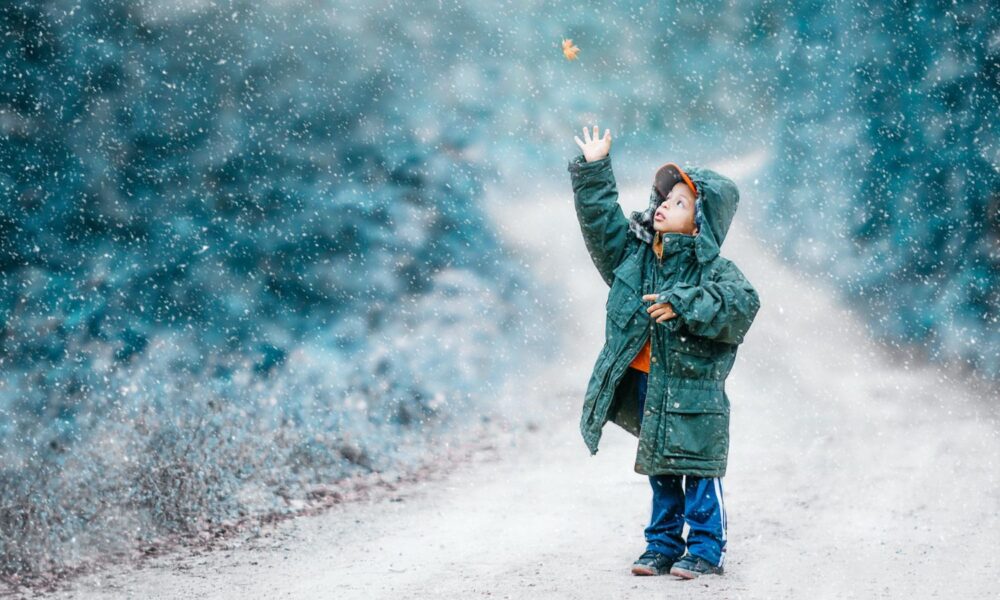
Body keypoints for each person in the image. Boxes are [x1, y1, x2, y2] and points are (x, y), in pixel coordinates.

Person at [567, 124, 761, 579]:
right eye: (664, 199)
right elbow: (600, 224)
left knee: (698, 474)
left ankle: (707, 549)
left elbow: (741, 304)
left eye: (679, 203)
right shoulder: (633, 256)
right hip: (650, 384)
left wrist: (685, 302)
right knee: (660, 471)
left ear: (701, 222)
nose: (664, 206)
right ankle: (661, 545)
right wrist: (595, 170)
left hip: (694, 394)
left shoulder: (712, 268)